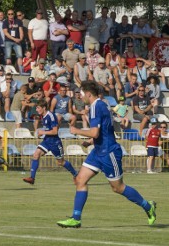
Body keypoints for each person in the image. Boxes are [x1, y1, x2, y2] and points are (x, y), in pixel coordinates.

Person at [57, 81, 157, 228]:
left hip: (109, 153)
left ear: (89, 94)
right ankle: (76, 218)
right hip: (98, 150)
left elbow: (95, 132)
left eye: (82, 93)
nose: (81, 96)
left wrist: (76, 131)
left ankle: (148, 207)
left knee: (118, 187)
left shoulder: (96, 107)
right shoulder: (101, 104)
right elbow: (104, 131)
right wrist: (91, 142)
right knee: (80, 180)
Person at [21, 99, 79, 185]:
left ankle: (76, 174)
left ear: (44, 108)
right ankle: (32, 178)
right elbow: (48, 129)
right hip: (47, 141)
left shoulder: (50, 116)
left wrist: (42, 132)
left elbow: (55, 131)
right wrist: (42, 133)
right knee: (36, 154)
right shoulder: (43, 116)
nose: (36, 110)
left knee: (61, 162)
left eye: (38, 108)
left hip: (55, 143)